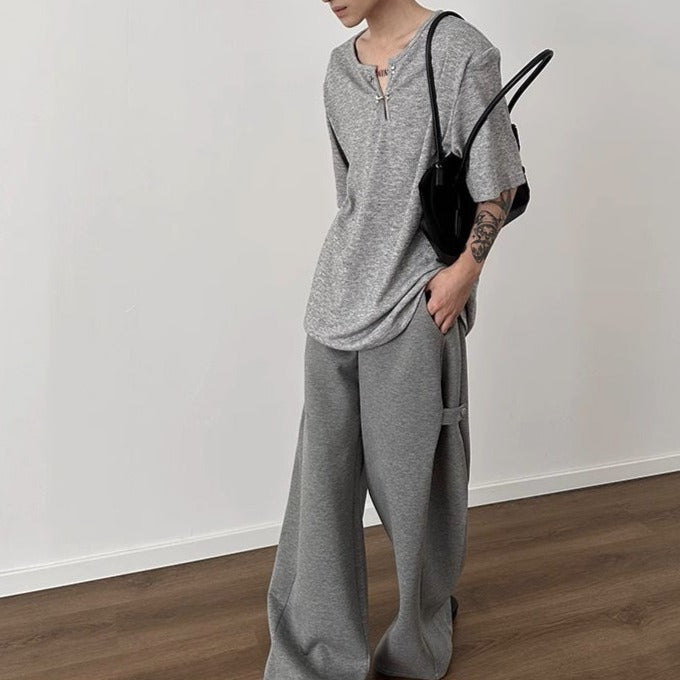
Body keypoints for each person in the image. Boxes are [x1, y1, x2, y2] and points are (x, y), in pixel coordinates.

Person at [264, 2, 525, 679]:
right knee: (321, 501)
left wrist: (463, 275)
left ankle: (415, 647)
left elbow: (499, 182)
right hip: (334, 308)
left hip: (416, 308)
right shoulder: (338, 72)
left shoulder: (461, 50)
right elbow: (352, 196)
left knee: (420, 499)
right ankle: (316, 658)